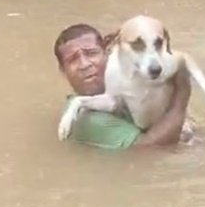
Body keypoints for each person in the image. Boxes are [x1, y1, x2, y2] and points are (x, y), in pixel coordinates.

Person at [53, 23, 192, 150]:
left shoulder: (129, 83)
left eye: (91, 53)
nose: (85, 65)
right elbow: (149, 150)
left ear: (109, 53)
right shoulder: (86, 118)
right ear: (63, 71)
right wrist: (182, 91)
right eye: (73, 60)